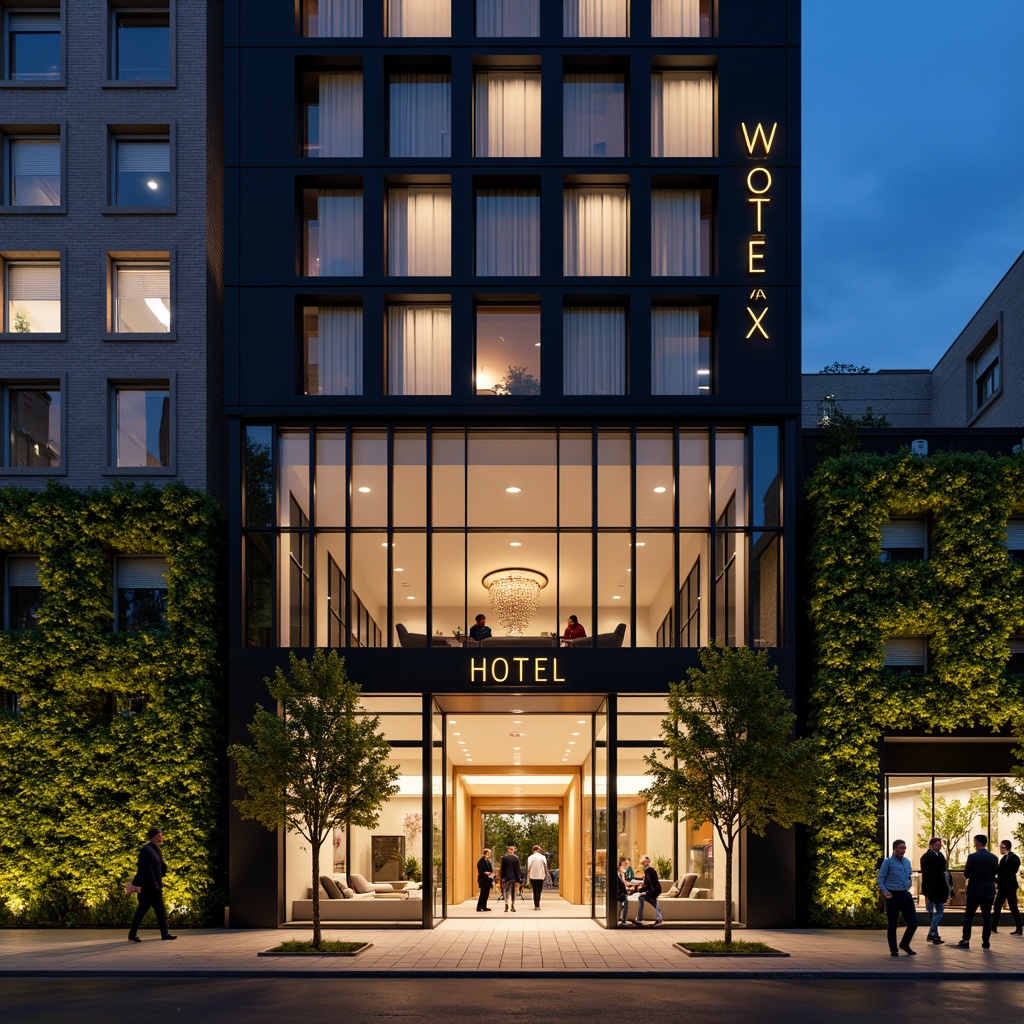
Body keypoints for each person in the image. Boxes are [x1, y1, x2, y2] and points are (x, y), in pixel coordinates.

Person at [127, 827, 176, 943]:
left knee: (153, 910)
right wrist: (154, 883)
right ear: (154, 836)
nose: (161, 837)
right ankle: (163, 934)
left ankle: (163, 933)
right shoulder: (146, 850)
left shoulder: (154, 849)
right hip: (149, 887)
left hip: (153, 886)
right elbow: (146, 869)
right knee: (150, 910)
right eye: (160, 835)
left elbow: (156, 866)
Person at [957, 834, 999, 949]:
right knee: (986, 917)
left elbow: (966, 874)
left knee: (969, 916)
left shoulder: (972, 857)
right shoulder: (994, 858)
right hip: (988, 891)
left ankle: (966, 939)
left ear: (977, 843)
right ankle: (986, 941)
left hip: (974, 891)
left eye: (974, 841)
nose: (974, 843)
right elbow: (995, 875)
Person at [876, 839, 917, 957]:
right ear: (894, 849)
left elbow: (908, 875)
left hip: (905, 894)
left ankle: (905, 944)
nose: (902, 850)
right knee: (892, 924)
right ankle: (893, 949)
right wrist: (885, 892)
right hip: (892, 895)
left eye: (904, 848)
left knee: (913, 923)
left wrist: (909, 884)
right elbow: (880, 879)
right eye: (900, 848)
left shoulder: (907, 861)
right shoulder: (888, 862)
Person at [919, 836, 949, 944]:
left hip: (937, 888)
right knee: (937, 911)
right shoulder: (928, 857)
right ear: (931, 845)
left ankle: (934, 934)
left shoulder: (939, 856)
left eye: (940, 845)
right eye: (937, 845)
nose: (939, 847)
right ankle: (932, 933)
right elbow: (930, 875)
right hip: (933, 888)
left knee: (935, 912)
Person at [992, 839, 1022, 935]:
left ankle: (994, 926)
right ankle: (1019, 928)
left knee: (998, 906)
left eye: (1001, 847)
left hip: (1006, 886)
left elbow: (1003, 872)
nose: (1000, 849)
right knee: (1012, 907)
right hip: (1009, 886)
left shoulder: (1008, 858)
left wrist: (995, 879)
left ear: (1006, 847)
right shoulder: (1013, 858)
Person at [632, 854, 663, 926]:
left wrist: (646, 892)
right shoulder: (648, 871)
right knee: (652, 901)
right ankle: (658, 918)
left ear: (646, 863)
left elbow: (652, 885)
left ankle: (640, 919)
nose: (641, 866)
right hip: (654, 891)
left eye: (642, 864)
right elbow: (647, 884)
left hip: (654, 891)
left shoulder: (649, 872)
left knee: (642, 897)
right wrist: (639, 890)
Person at [526, 845, 550, 910]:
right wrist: (546, 874)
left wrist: (527, 877)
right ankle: (538, 904)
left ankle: (536, 905)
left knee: (535, 890)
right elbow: (545, 866)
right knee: (539, 890)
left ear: (533, 850)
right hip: (541, 876)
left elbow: (528, 867)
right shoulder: (543, 857)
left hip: (533, 876)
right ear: (538, 850)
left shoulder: (530, 857)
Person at [500, 845, 522, 913]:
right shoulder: (516, 858)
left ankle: (506, 905)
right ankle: (513, 905)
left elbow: (502, 869)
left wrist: (502, 878)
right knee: (513, 892)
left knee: (506, 891)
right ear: (512, 850)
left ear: (508, 850)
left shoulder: (504, 858)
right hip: (514, 878)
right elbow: (517, 870)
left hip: (507, 878)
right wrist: (518, 880)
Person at [615, 858, 631, 926]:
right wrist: (623, 892)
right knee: (625, 902)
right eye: (622, 866)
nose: (624, 867)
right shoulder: (617, 874)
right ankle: (623, 920)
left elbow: (622, 883)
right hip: (619, 894)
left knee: (625, 903)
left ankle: (622, 919)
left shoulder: (619, 874)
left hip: (621, 892)